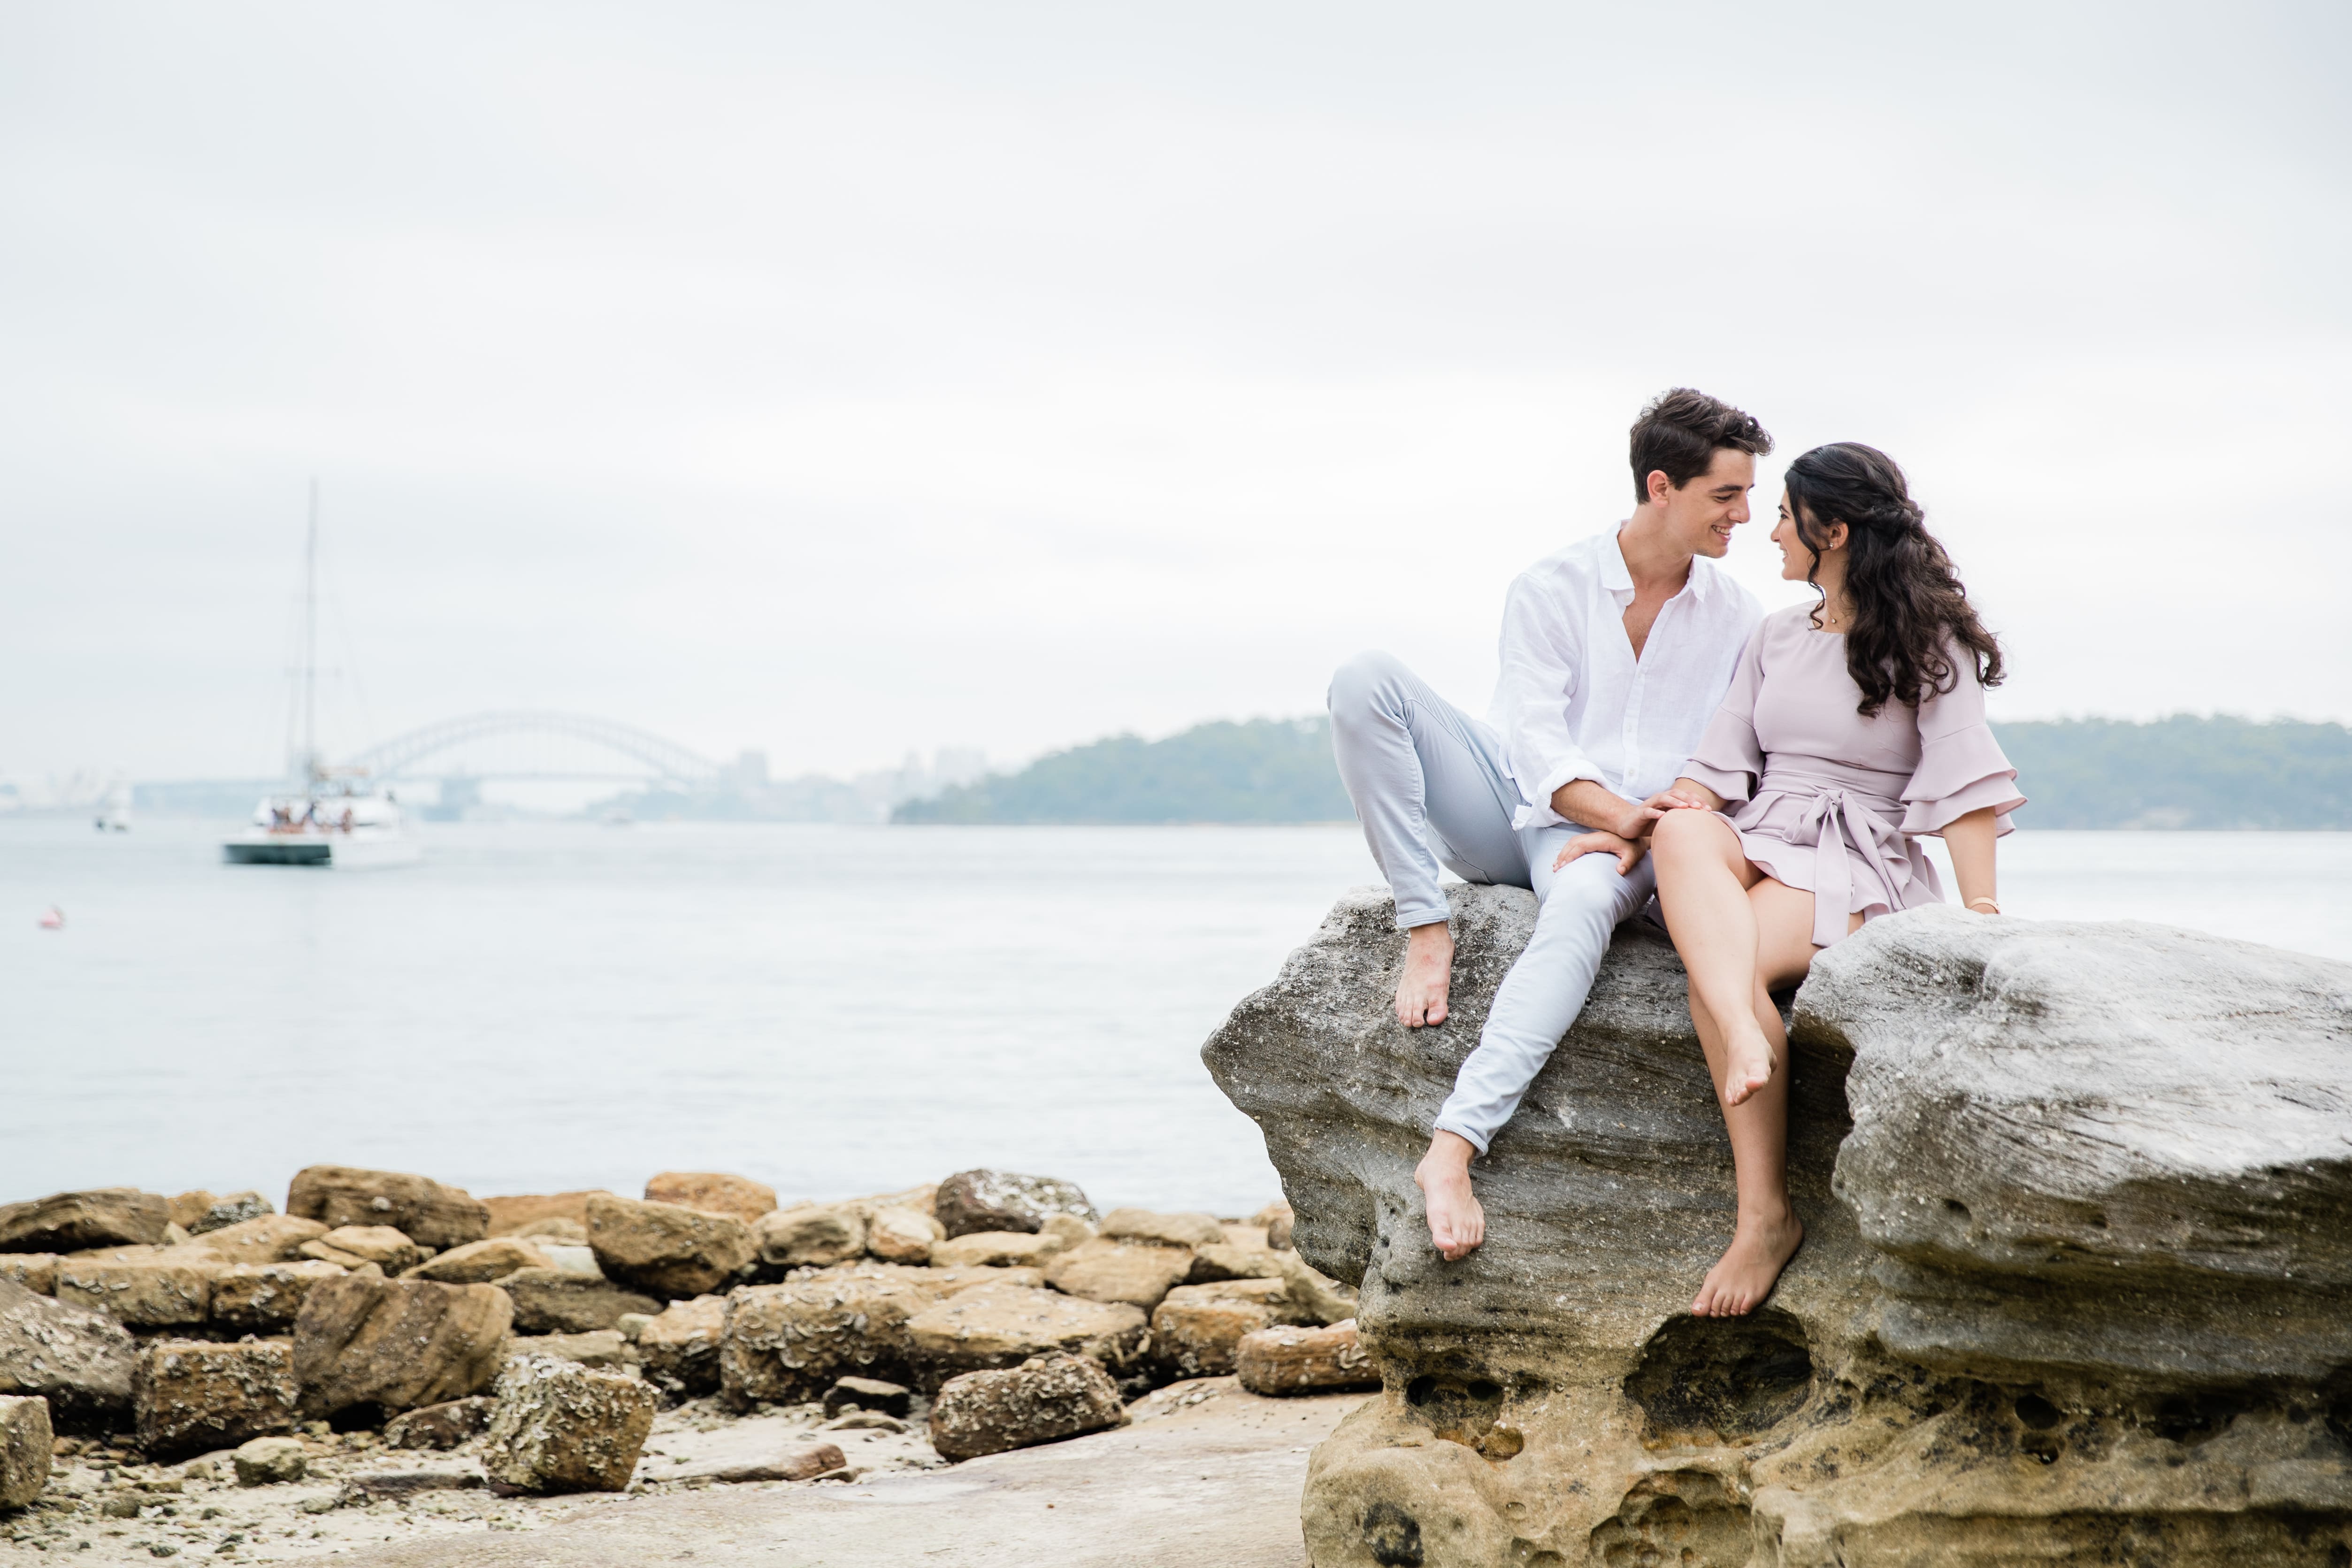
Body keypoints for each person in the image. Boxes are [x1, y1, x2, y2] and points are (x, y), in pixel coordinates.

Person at [1579, 441, 2022, 1317]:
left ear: (1835, 530)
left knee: (1728, 967)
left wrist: (1982, 911)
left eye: (1784, 514)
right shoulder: (1776, 634)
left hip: (1853, 858)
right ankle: (1745, 1027)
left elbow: (1967, 781)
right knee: (1684, 832)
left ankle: (1765, 1218)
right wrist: (1630, 826)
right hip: (1765, 826)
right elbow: (1718, 763)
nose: (1767, 530)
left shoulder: (1931, 639)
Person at [1327, 388, 1771, 1262]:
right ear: (1661, 487)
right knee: (1364, 678)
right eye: (1727, 495)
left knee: (1578, 901)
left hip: (1644, 842)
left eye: (1749, 495)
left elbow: (1732, 756)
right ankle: (1425, 920)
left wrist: (1645, 830)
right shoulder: (1551, 586)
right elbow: (1533, 741)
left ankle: (1451, 1148)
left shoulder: (1738, 615)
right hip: (1540, 806)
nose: (1746, 516)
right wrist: (1617, 814)